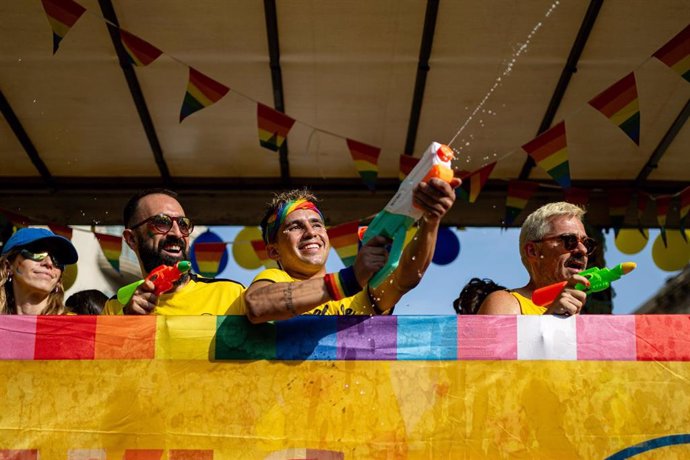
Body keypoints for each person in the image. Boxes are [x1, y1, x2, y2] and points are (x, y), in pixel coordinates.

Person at [243, 176, 460, 323]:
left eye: (317, 224)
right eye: (295, 226)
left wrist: (431, 220)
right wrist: (349, 279)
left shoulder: (359, 290)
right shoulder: (274, 278)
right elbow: (256, 305)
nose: (311, 232)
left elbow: (406, 278)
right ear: (273, 251)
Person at [102, 189, 245, 315]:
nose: (177, 233)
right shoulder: (115, 309)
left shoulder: (231, 296)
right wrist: (125, 322)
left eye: (183, 224)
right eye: (162, 222)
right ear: (132, 239)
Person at [477, 201, 595, 316]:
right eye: (569, 240)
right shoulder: (506, 304)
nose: (583, 250)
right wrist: (552, 318)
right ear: (533, 251)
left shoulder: (589, 316)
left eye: (587, 243)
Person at [0, 227, 79, 315]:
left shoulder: (77, 326)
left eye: (57, 258)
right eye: (37, 252)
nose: (49, 263)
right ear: (8, 266)